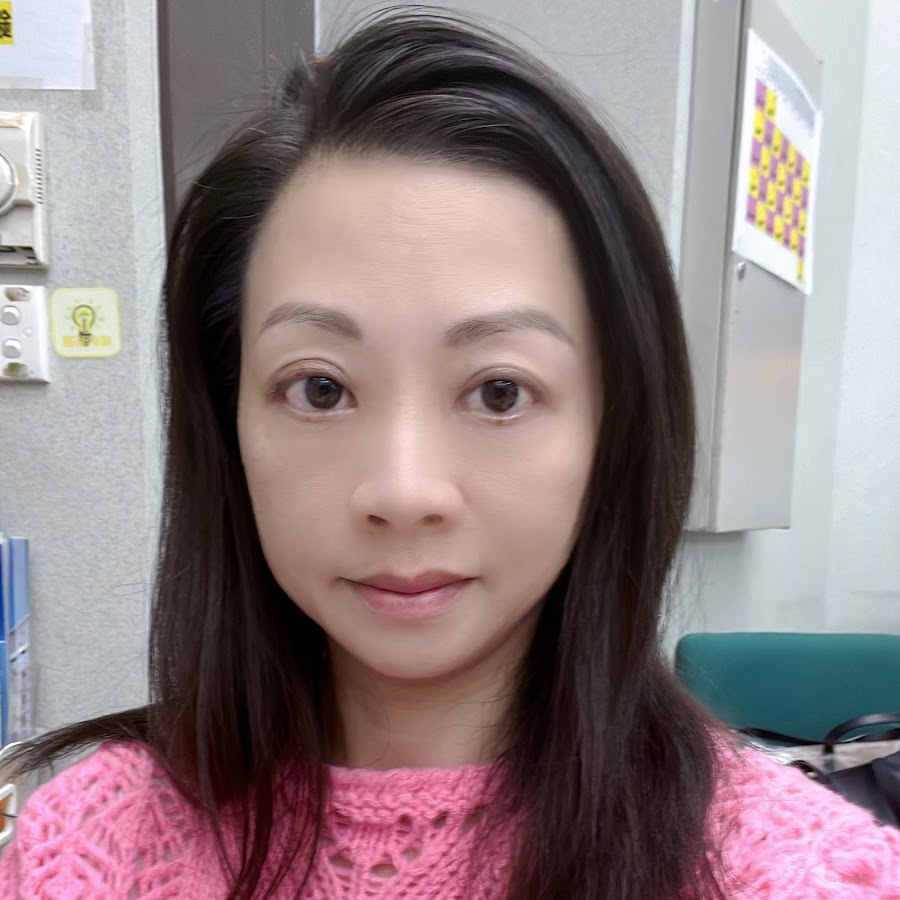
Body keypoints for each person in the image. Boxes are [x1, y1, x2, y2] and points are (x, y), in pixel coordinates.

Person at [0, 12, 897, 900]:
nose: (402, 491)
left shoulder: (802, 875)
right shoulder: (81, 848)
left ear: (613, 428)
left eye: (499, 392)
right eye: (321, 389)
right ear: (227, 422)